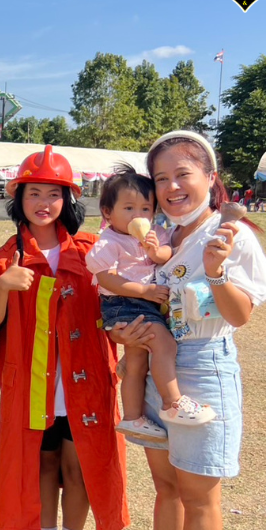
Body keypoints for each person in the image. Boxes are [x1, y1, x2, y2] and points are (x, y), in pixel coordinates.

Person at [105, 131, 266, 530]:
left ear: (210, 177)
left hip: (202, 366)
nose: (172, 187)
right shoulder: (162, 235)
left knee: (199, 493)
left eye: (183, 174)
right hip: (157, 361)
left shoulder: (230, 234)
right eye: (161, 178)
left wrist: (216, 274)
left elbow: (240, 316)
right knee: (167, 486)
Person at [0, 145, 129, 530]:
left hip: (86, 383)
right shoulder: (6, 258)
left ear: (69, 200)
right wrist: (3, 287)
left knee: (79, 466)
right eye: (34, 194)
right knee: (42, 466)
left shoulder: (94, 251)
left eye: (54, 194)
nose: (43, 203)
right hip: (32, 385)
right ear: (18, 199)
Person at [86, 165, 217, 444]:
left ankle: (133, 417)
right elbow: (106, 278)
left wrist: (155, 251)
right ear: (108, 212)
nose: (139, 216)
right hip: (124, 302)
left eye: (145, 209)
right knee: (165, 345)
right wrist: (144, 291)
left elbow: (166, 254)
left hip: (144, 302)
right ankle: (173, 402)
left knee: (136, 362)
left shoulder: (156, 232)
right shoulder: (109, 241)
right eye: (129, 208)